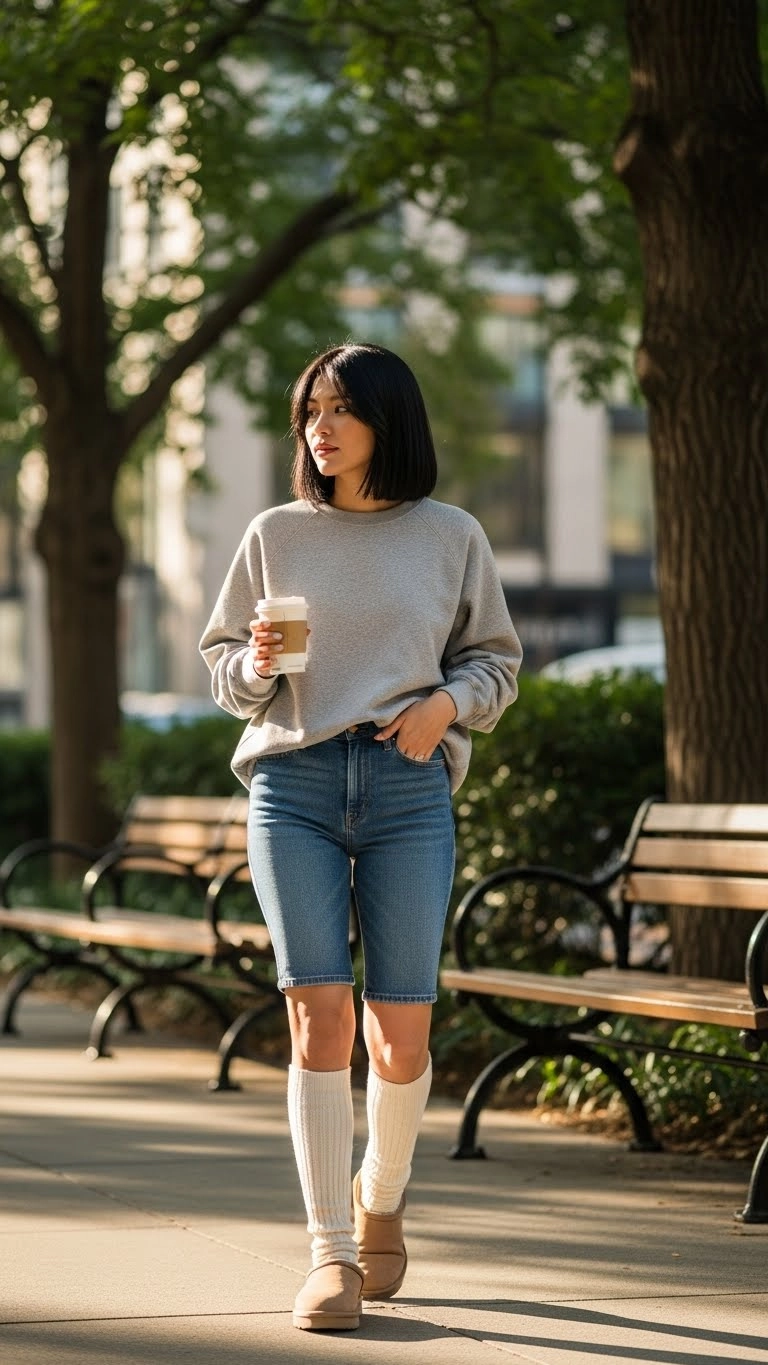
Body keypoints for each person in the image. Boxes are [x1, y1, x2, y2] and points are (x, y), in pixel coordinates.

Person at [200, 342, 522, 1332]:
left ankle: (381, 1198)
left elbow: (496, 662)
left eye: (340, 409)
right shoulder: (274, 533)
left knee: (400, 1032)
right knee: (319, 1016)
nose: (320, 428)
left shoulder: (452, 535)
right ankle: (331, 1252)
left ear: (390, 419)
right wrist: (255, 665)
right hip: (292, 785)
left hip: (406, 787)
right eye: (310, 411)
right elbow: (226, 670)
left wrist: (445, 708)